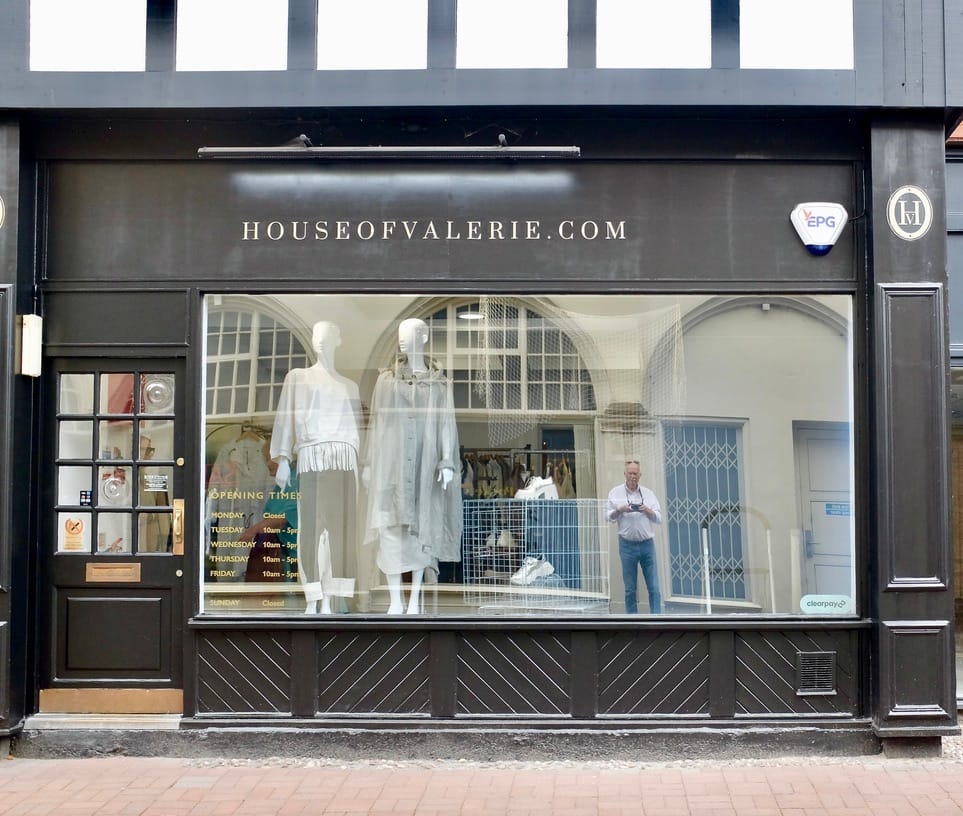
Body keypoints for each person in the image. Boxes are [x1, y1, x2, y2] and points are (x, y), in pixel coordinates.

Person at [363, 317, 462, 614]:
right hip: (391, 467)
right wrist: (369, 463)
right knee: (391, 531)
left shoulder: (440, 384)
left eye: (410, 333)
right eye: (400, 333)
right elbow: (377, 423)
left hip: (425, 467)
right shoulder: (386, 381)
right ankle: (396, 599)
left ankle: (415, 598)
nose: (402, 338)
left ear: (424, 337)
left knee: (423, 531)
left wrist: (447, 461)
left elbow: (446, 424)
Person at [271, 320, 360, 614]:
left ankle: (332, 599)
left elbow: (358, 429)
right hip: (312, 459)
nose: (320, 339)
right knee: (311, 530)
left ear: (339, 340)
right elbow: (286, 416)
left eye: (327, 334)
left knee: (340, 532)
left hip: (344, 461)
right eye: (316, 335)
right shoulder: (298, 377)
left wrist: (365, 465)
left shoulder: (349, 386)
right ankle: (313, 597)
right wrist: (283, 457)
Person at [606, 459, 663, 614]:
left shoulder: (649, 494)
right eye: (630, 473)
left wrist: (648, 511)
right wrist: (620, 509)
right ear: (625, 474)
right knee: (630, 589)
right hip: (627, 545)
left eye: (635, 474)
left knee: (654, 587)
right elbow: (608, 517)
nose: (633, 476)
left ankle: (657, 620)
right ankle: (632, 621)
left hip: (647, 545)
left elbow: (659, 519)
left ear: (640, 475)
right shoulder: (615, 493)